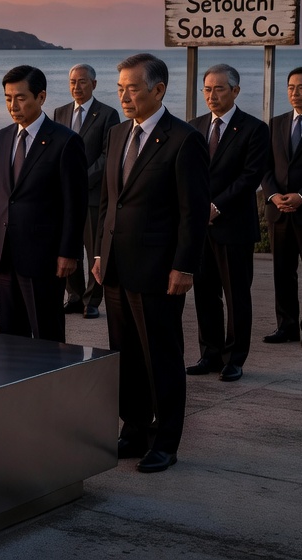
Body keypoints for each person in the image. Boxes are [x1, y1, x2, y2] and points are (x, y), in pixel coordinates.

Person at [92, 53, 209, 473]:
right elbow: (110, 200)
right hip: (117, 266)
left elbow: (192, 213)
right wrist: (101, 253)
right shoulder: (118, 133)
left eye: (133, 88)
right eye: (120, 87)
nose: (124, 95)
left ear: (158, 90)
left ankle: (166, 440)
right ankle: (135, 429)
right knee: (125, 355)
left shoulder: (184, 140)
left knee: (161, 355)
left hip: (160, 270)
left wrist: (185, 266)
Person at [0, 66, 87, 342]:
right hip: (3, 253)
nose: (13, 106)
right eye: (7, 98)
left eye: (20, 98)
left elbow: (75, 204)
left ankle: (52, 384)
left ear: (41, 97)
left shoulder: (65, 141)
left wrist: (69, 252)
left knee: (46, 334)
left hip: (44, 256)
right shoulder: (1, 137)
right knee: (9, 335)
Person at [187, 64, 268, 380]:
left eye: (219, 89)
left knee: (236, 295)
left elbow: (250, 177)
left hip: (233, 225)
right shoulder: (194, 127)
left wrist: (216, 206)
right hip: (199, 227)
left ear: (235, 91)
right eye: (207, 89)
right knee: (204, 294)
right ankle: (210, 354)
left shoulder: (254, 129)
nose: (212, 95)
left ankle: (234, 358)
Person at [260, 67, 302, 350]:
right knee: (282, 271)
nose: (294, 93)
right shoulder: (276, 123)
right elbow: (264, 166)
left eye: (301, 88)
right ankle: (286, 326)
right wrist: (273, 196)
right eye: (290, 88)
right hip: (279, 211)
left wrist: (301, 195)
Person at [53, 63, 119, 319]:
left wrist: (81, 179)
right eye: (72, 82)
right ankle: (75, 296)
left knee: (94, 250)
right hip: (64, 197)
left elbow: (107, 154)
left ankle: (92, 299)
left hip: (92, 194)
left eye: (82, 82)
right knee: (69, 245)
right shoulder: (60, 112)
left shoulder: (107, 114)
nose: (76, 87)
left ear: (94, 84)